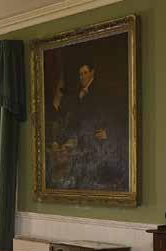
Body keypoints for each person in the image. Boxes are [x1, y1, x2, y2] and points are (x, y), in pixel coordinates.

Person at [48, 63, 127, 191]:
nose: (82, 77)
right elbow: (74, 119)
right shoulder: (78, 94)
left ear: (92, 73)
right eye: (80, 74)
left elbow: (113, 113)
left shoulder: (102, 91)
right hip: (83, 140)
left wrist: (108, 132)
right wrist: (62, 140)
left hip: (98, 142)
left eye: (85, 73)